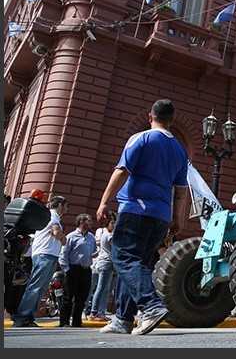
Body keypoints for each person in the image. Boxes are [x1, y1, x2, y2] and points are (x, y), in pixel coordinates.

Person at [96, 98, 189, 336]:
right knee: (136, 262)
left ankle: (151, 305)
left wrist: (105, 201)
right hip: (161, 216)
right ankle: (123, 319)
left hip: (136, 209)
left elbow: (122, 170)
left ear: (151, 117)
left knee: (124, 258)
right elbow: (180, 190)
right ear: (171, 120)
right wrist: (177, 218)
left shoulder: (141, 138)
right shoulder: (180, 151)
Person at [10, 195, 69, 327]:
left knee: (40, 288)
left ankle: (28, 317)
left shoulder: (53, 216)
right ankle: (22, 316)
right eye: (66, 206)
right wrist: (63, 238)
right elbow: (56, 233)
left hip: (49, 255)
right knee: (36, 286)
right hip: (45, 254)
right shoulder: (52, 215)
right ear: (60, 205)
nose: (67, 209)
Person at [58, 213, 98, 327]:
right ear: (82, 222)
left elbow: (93, 251)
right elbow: (63, 254)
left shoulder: (91, 237)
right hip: (73, 269)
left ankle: (76, 321)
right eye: (89, 220)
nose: (91, 223)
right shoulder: (71, 236)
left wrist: (94, 255)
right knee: (68, 296)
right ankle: (64, 321)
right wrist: (66, 270)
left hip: (86, 269)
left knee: (82, 297)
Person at [88, 212, 117, 321]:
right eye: (112, 223)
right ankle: (95, 312)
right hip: (106, 263)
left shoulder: (105, 234)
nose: (114, 225)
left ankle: (100, 311)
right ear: (107, 224)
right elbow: (115, 247)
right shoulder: (108, 235)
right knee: (101, 288)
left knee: (104, 289)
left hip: (103, 262)